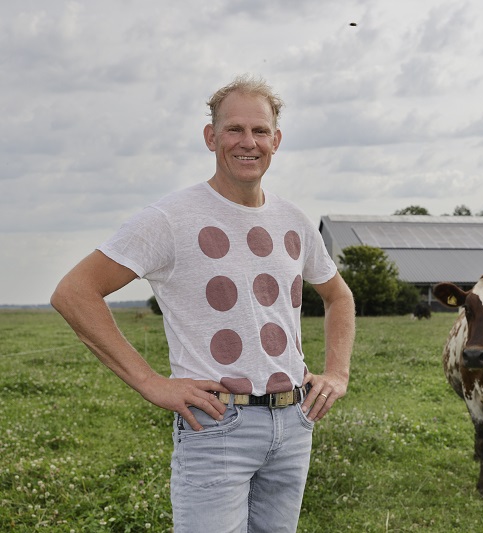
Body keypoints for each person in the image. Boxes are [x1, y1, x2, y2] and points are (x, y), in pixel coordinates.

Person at [51, 74, 356, 533]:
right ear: (211, 137)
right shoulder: (171, 218)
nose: (247, 142)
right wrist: (152, 383)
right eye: (234, 129)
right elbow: (74, 293)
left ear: (277, 140)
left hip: (294, 422)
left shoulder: (293, 220)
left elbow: (338, 294)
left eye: (259, 131)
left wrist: (337, 373)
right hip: (217, 426)